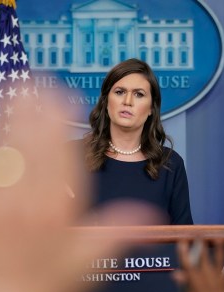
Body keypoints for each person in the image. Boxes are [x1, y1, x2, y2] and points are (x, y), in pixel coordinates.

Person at [81, 58, 193, 225]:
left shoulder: (170, 163)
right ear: (105, 101)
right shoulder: (71, 156)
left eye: (139, 94)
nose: (127, 101)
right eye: (119, 92)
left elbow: (186, 240)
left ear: (151, 109)